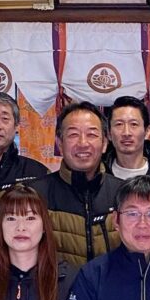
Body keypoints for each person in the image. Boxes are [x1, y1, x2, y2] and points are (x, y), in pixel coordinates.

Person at [32, 101, 123, 266]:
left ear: (104, 144)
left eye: (92, 135)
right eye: (73, 134)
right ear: (59, 144)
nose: (83, 143)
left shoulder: (123, 193)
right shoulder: (35, 195)